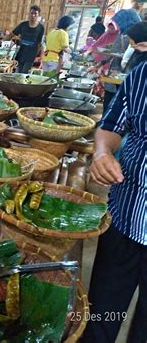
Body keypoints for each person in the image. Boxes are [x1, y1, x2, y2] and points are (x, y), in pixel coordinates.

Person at [83, 60, 146, 343]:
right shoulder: (141, 74)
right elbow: (110, 127)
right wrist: (101, 153)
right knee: (100, 316)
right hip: (125, 216)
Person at [6, 5, 45, 73]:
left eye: (35, 14)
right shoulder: (23, 25)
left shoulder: (40, 28)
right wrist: (2, 40)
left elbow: (40, 44)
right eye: (31, 13)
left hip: (31, 55)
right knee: (17, 73)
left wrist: (39, 57)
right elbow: (12, 34)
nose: (33, 15)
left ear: (38, 15)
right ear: (29, 14)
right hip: (21, 53)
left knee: (24, 73)